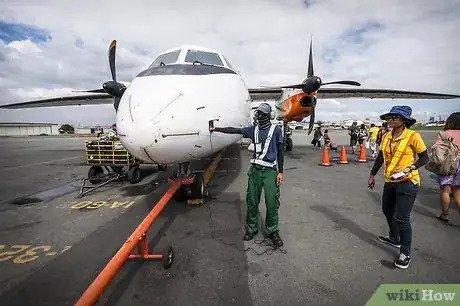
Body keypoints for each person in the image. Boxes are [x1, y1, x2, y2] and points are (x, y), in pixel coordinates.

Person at [209, 103, 284, 247]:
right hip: (255, 171)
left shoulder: (276, 130)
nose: (258, 115)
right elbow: (234, 130)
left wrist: (280, 171)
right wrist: (216, 128)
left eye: (261, 113)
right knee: (252, 201)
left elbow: (280, 151)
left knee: (272, 203)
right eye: (258, 113)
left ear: (268, 115)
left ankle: (272, 231)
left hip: (270, 172)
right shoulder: (253, 130)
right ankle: (252, 228)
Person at [368, 105, 429, 269]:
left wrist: (410, 168)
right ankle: (394, 238)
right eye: (389, 117)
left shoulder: (413, 136)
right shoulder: (387, 136)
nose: (390, 120)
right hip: (390, 181)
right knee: (387, 210)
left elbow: (424, 158)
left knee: (402, 217)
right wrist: (372, 174)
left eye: (395, 117)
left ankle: (405, 252)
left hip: (408, 181)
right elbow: (381, 156)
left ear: (404, 121)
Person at [434, 112, 460, 223]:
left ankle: (445, 214)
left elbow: (437, 150)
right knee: (458, 191)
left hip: (447, 164)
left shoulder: (444, 134)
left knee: (445, 190)